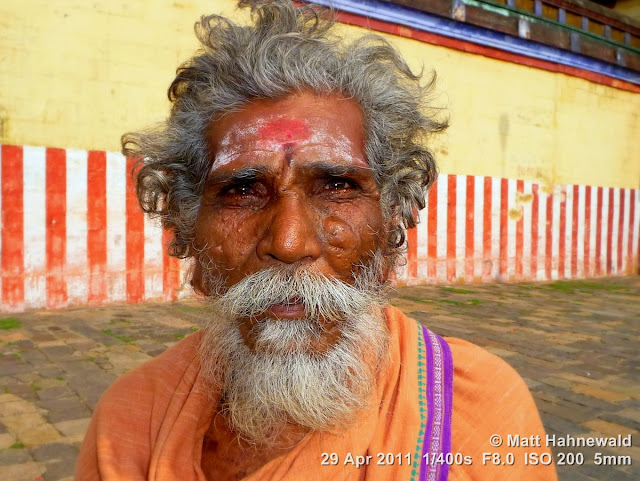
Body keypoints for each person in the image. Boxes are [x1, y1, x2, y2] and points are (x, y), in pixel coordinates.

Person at [75, 1, 557, 480]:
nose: (289, 243)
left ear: (390, 223)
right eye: (242, 191)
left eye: (337, 187)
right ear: (186, 228)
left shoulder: (475, 410)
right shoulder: (129, 421)